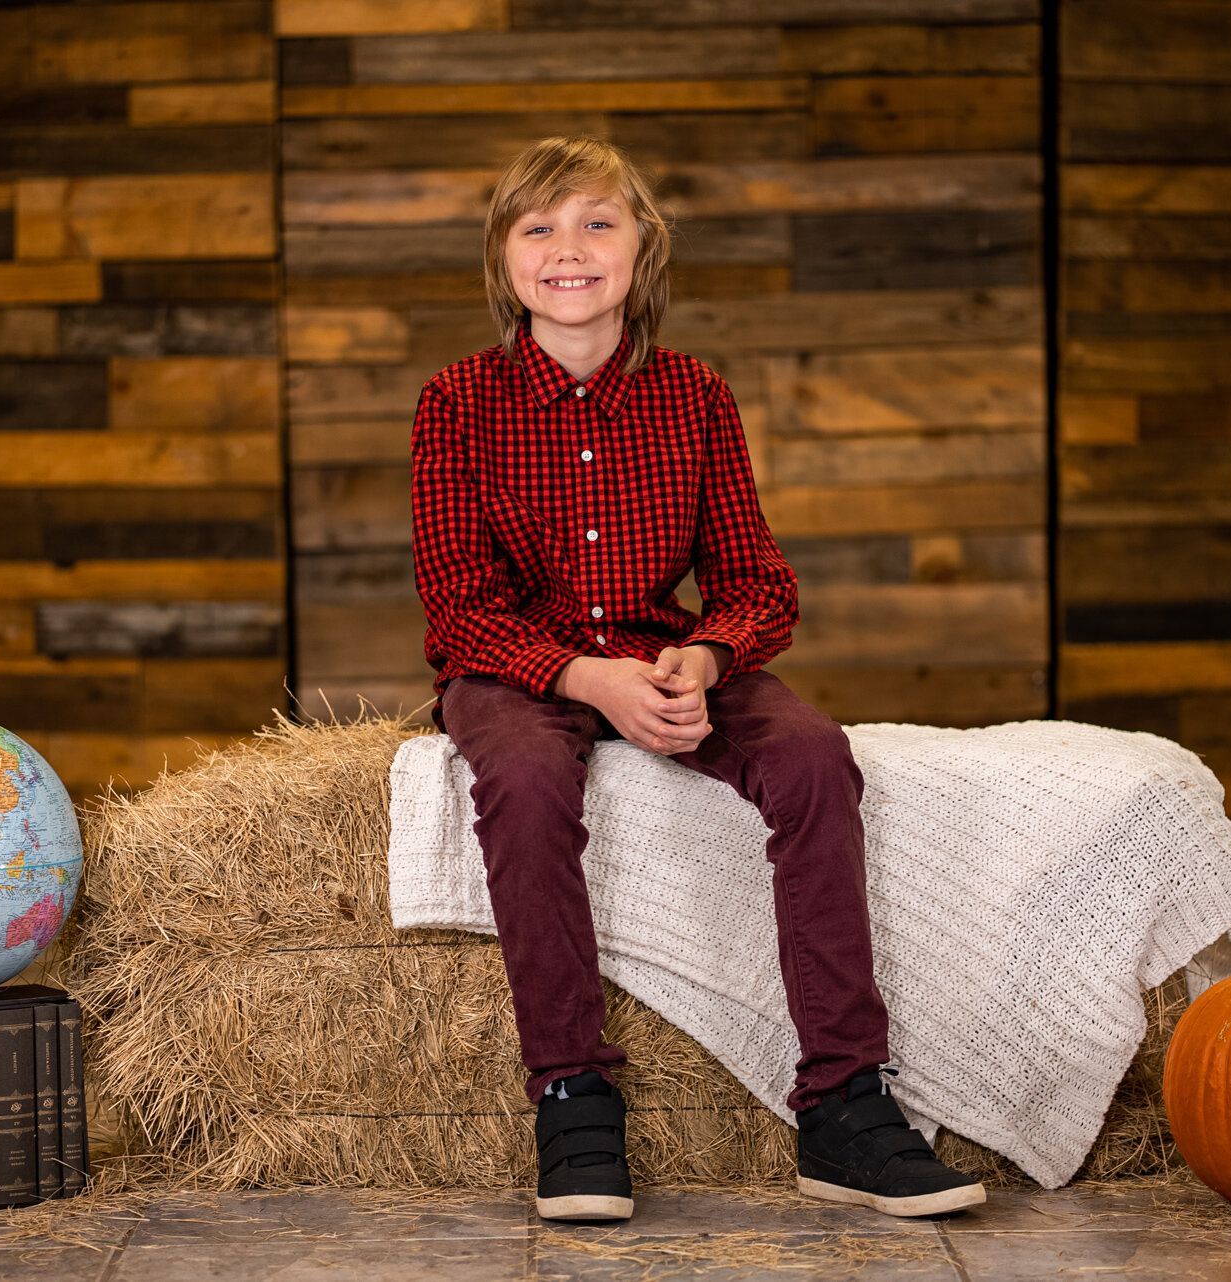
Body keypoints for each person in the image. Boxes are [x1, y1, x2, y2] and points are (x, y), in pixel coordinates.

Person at [409, 135, 985, 1224]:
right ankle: (572, 1092)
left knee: (815, 756)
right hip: (514, 666)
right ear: (502, 258)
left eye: (596, 222)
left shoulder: (695, 398)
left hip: (663, 651)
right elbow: (460, 610)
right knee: (528, 783)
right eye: (537, 227)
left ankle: (845, 1103)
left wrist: (706, 655)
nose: (567, 249)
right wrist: (588, 681)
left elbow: (760, 580)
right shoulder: (456, 403)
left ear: (643, 247)